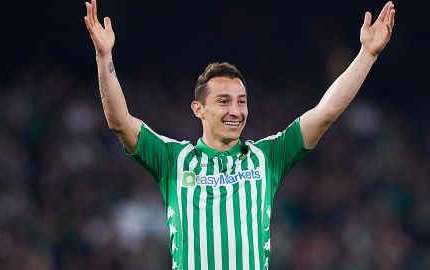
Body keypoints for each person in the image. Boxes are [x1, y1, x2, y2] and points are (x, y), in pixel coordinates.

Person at [83, 0, 395, 269]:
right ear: (198, 109)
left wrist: (367, 54)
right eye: (223, 101)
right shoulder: (173, 160)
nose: (236, 110)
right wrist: (104, 57)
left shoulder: (267, 157)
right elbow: (120, 122)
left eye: (241, 101)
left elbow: (325, 113)